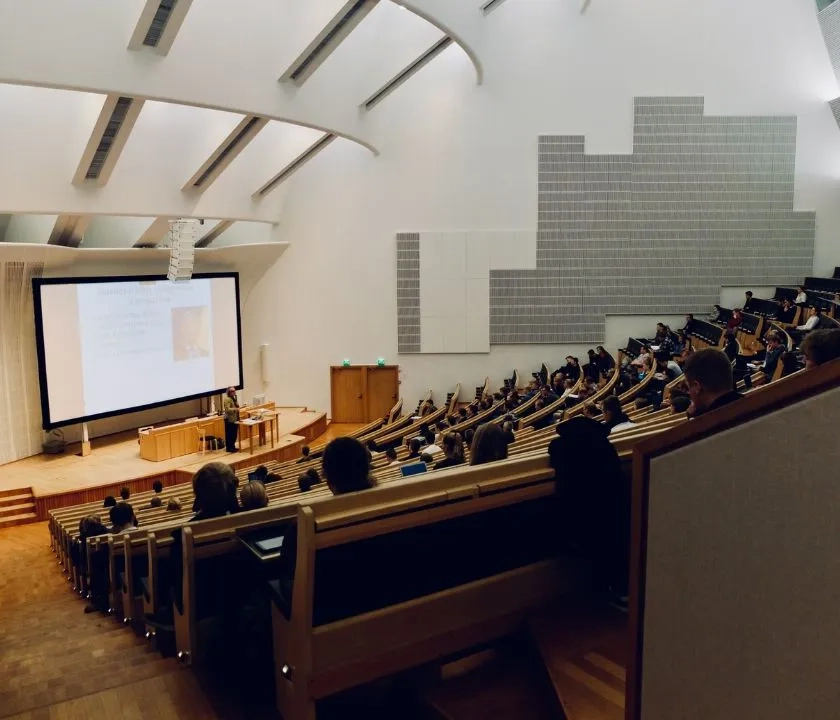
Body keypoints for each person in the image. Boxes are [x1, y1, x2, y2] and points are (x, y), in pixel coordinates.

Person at [548, 417, 629, 602]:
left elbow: (554, 448)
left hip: (582, 517)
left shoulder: (563, 449)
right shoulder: (606, 448)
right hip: (613, 511)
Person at [683, 348, 742, 417]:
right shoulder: (750, 404)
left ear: (696, 386)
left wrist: (693, 419)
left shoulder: (707, 422)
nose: (689, 393)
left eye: (688, 388)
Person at [223, 387, 240, 453]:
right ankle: (230, 448)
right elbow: (227, 409)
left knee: (234, 434)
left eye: (234, 391)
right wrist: (236, 409)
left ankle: (232, 447)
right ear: (229, 392)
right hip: (229, 419)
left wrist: (237, 405)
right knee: (230, 434)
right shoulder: (227, 399)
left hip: (234, 418)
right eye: (232, 391)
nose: (234, 392)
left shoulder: (233, 398)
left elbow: (236, 406)